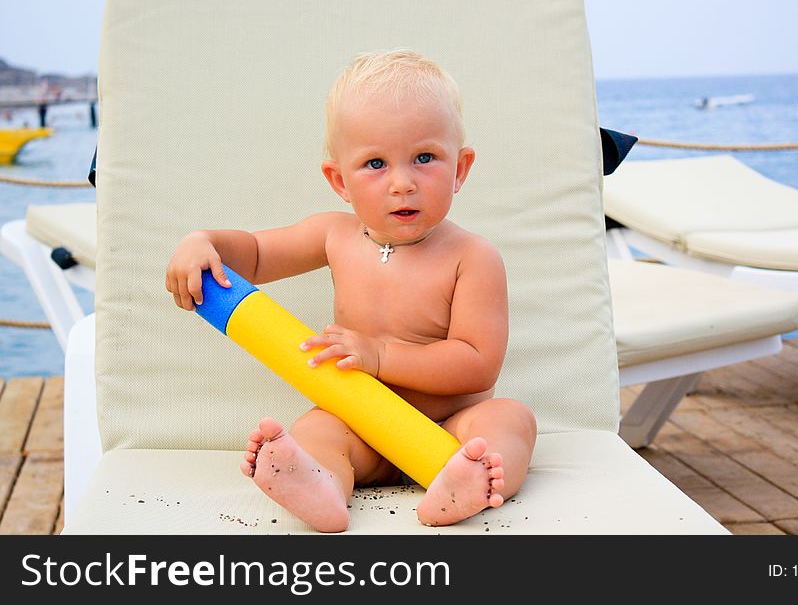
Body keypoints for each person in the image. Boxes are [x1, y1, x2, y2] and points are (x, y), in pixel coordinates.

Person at [166, 49, 536, 532]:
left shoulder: (473, 257)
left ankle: (474, 482)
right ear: (339, 180)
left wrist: (380, 355)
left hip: (452, 430)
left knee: (511, 420)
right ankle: (319, 485)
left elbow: (477, 362)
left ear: (461, 169)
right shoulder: (333, 236)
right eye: (375, 164)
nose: (402, 183)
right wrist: (204, 242)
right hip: (360, 426)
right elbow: (254, 254)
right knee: (316, 430)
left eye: (425, 158)